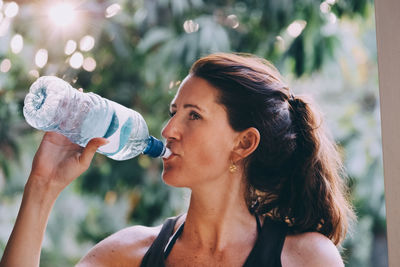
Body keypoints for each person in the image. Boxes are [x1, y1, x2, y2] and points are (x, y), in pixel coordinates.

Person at [0, 53, 354, 267]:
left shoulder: (306, 259)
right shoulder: (128, 254)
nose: (168, 129)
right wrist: (42, 186)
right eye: (173, 113)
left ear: (244, 142)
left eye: (193, 115)